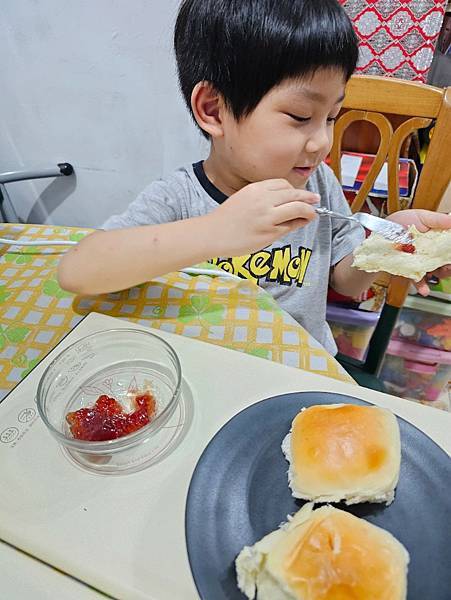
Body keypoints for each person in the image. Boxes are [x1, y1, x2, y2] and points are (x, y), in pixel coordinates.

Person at [58, 0, 451, 355]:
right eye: (300, 117)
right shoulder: (180, 199)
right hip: (209, 364)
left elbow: (347, 284)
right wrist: (217, 230)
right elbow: (77, 271)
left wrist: (384, 249)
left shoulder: (317, 185)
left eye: (331, 117)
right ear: (213, 110)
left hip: (300, 365)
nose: (322, 143)